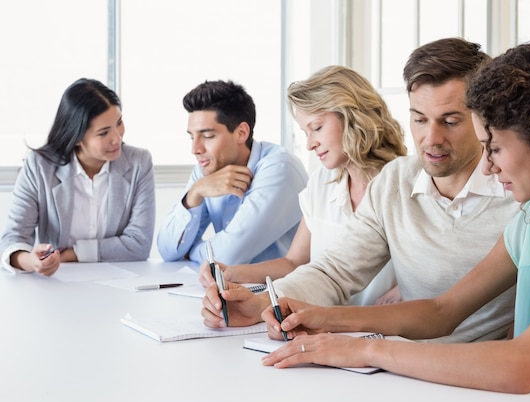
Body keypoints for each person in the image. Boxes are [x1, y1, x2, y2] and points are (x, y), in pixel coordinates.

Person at [261, 40, 530, 402]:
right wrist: (323, 318)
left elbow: (521, 363)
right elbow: (442, 312)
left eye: (495, 148)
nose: (487, 166)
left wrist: (366, 350)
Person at [201, 38, 521, 344]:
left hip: (475, 373)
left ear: (483, 117)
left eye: (450, 121)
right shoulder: (395, 182)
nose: (431, 138)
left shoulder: (518, 195)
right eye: (420, 119)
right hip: (397, 361)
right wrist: (261, 305)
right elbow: (335, 272)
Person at [200, 65, 407, 306]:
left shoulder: (403, 184)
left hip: (380, 329)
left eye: (317, 128)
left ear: (353, 116)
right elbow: (294, 263)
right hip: (323, 325)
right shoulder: (321, 183)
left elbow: (441, 265)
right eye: (304, 132)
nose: (310, 144)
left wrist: (407, 287)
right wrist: (231, 273)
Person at [0, 78, 155, 276]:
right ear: (77, 137)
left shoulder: (139, 163)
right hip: (58, 282)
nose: (117, 138)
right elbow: (12, 238)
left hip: (119, 280)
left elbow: (139, 244)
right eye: (104, 132)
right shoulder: (39, 166)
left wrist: (71, 254)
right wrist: (30, 261)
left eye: (119, 123)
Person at [157, 80, 308, 265]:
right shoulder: (207, 170)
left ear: (241, 133)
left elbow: (228, 257)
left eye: (207, 136)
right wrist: (194, 194)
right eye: (191, 136)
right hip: (236, 287)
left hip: (282, 289)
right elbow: (167, 251)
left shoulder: (280, 167)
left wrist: (192, 251)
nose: (195, 149)